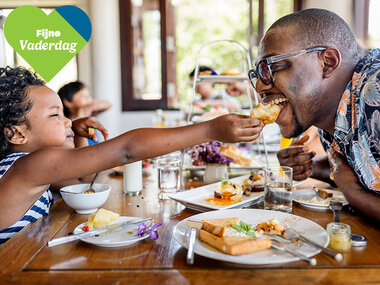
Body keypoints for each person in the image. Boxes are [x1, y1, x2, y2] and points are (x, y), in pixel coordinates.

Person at [0, 66, 264, 245]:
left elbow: (82, 181)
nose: (68, 121)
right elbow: (127, 149)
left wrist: (78, 135)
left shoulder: (27, 169)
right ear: (16, 134)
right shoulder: (28, 167)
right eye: (55, 115)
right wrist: (210, 129)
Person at [249, 9, 379, 221]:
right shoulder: (334, 112)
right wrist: (315, 168)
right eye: (257, 73)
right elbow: (368, 164)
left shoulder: (375, 91)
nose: (260, 85)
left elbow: (354, 185)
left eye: (271, 66)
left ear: (327, 62)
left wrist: (354, 194)